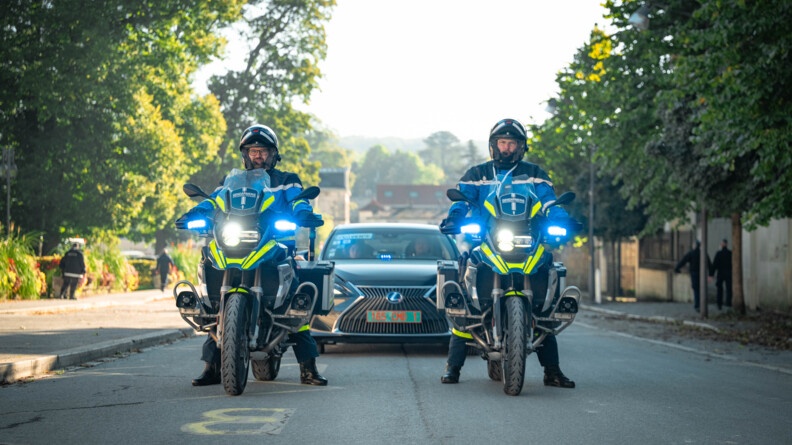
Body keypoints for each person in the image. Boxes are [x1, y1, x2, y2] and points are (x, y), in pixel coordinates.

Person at [176, 124, 327, 387]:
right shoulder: (231, 182)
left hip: (275, 244)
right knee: (213, 298)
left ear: (273, 154)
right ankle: (212, 366)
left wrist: (302, 211)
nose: (258, 156)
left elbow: (297, 199)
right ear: (245, 154)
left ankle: (308, 367)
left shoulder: (286, 179)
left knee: (297, 300)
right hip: (235, 243)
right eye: (253, 151)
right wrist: (196, 212)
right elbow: (213, 200)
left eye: (263, 151)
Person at [438, 118, 576, 389]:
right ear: (493, 146)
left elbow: (549, 201)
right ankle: (453, 366)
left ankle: (552, 370)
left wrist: (562, 218)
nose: (507, 147)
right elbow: (462, 200)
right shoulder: (477, 174)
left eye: (512, 143)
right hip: (488, 241)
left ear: (521, 146)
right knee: (465, 296)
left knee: (544, 302)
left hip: (528, 241)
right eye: (502, 142)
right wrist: (455, 217)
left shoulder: (535, 173)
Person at [674, 241, 712, 311]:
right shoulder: (704, 254)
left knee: (696, 289)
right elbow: (709, 264)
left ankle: (697, 305)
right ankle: (702, 304)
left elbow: (683, 261)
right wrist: (710, 274)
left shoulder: (691, 253)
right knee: (702, 288)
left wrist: (677, 268)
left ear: (694, 245)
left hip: (694, 273)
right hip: (702, 274)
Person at [710, 238, 732, 310]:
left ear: (722, 244)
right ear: (727, 244)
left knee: (720, 288)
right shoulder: (730, 253)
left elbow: (714, 265)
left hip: (721, 273)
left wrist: (711, 274)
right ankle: (728, 303)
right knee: (729, 288)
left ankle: (719, 303)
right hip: (729, 273)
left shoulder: (718, 253)